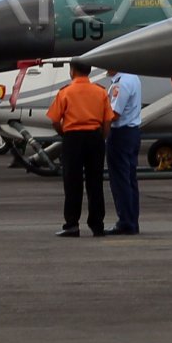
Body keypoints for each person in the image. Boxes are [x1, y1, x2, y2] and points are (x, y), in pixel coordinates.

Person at [46, 61, 114, 238]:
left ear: (72, 71)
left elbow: (54, 120)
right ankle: (97, 225)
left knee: (72, 183)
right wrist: (102, 137)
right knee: (95, 182)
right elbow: (107, 120)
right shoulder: (100, 92)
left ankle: (72, 225)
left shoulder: (65, 92)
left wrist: (64, 133)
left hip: (73, 138)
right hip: (94, 138)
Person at [104, 69, 142, 236]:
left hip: (120, 133)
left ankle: (125, 222)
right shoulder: (133, 77)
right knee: (130, 179)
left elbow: (114, 113)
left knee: (120, 181)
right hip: (132, 132)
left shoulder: (121, 83)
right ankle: (132, 221)